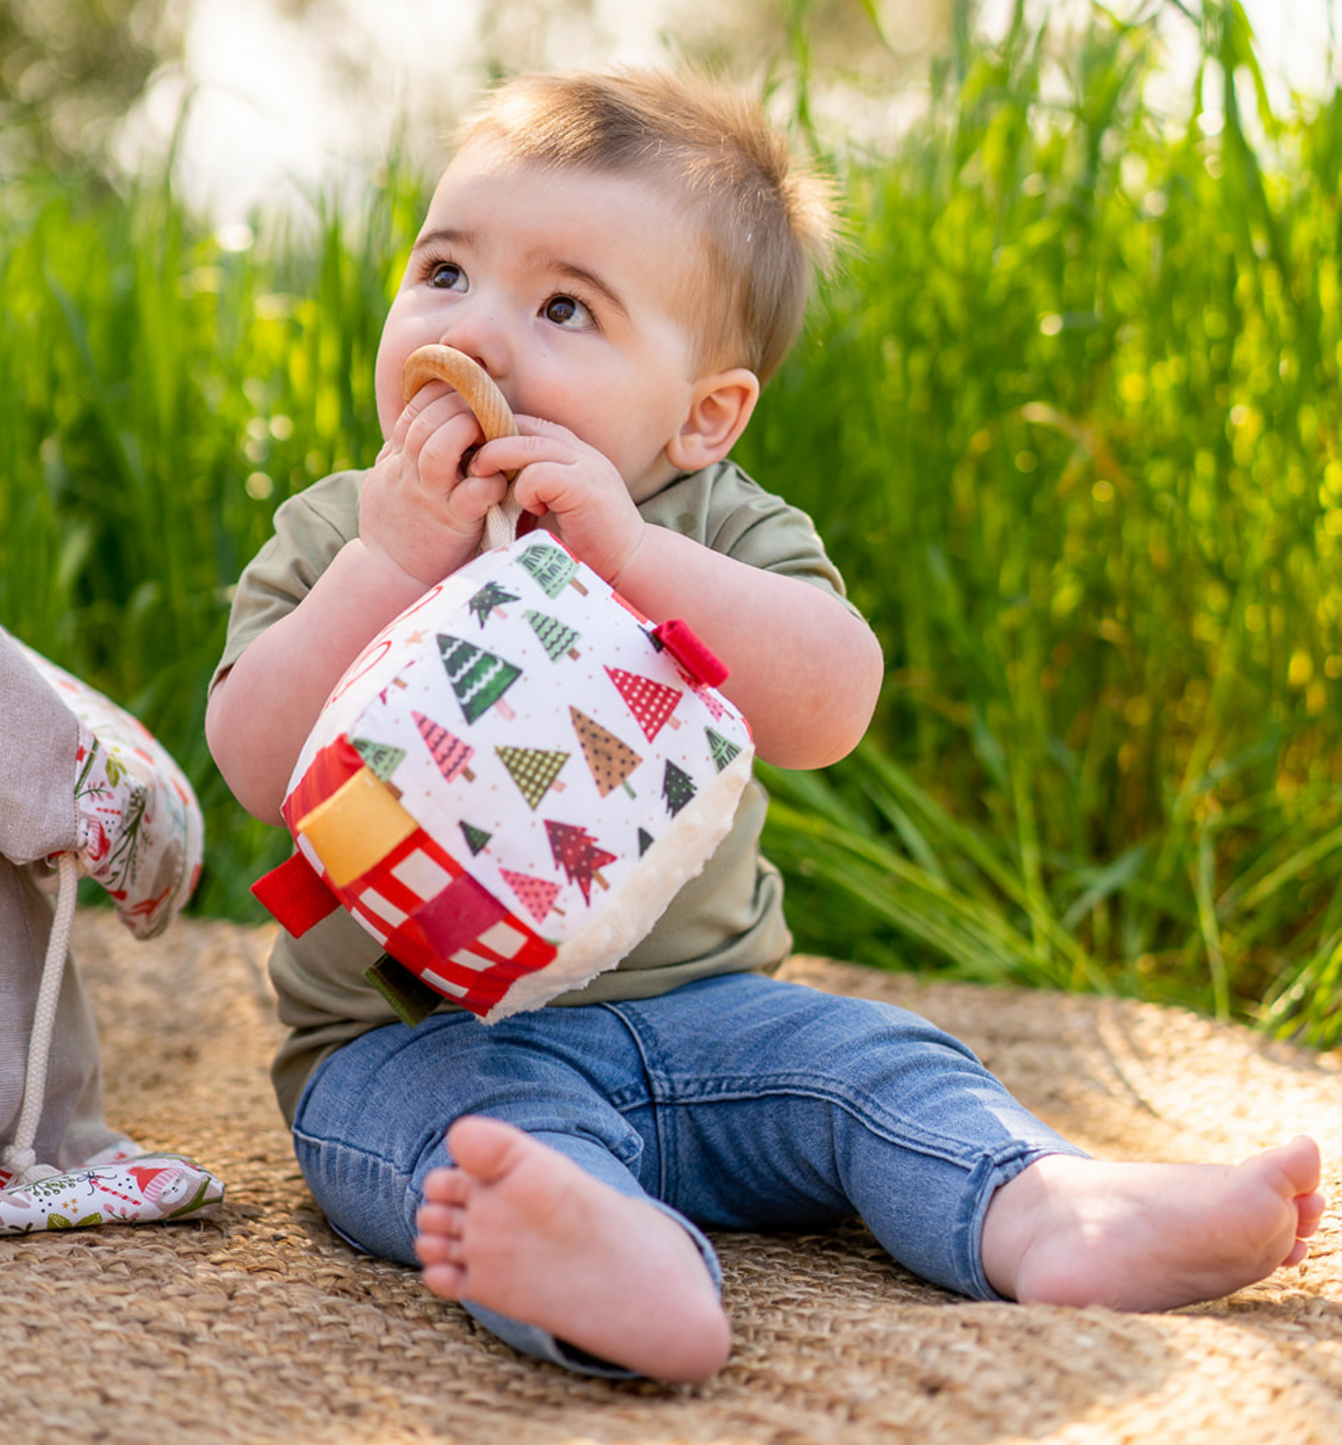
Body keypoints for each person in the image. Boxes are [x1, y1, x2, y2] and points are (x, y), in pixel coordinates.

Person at [206, 67, 1327, 1384]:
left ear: (704, 413)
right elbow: (260, 769)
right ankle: (614, 1264)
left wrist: (627, 556)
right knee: (487, 1154)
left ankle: (1046, 1209)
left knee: (883, 1068)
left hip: (719, 1018)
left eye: (565, 305)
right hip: (418, 1041)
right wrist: (392, 561)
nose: (483, 335)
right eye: (445, 274)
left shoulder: (715, 527)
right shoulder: (349, 527)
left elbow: (832, 703)